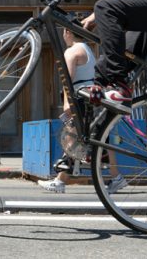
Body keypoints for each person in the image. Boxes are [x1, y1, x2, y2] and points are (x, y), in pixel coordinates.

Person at [38, 27, 127, 194]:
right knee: (102, 140)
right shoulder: (88, 49)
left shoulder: (72, 52)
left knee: (72, 139)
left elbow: (67, 80)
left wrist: (67, 104)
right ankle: (116, 178)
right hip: (93, 99)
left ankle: (60, 181)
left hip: (80, 100)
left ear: (67, 32)